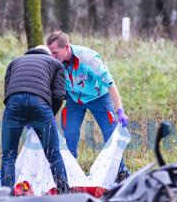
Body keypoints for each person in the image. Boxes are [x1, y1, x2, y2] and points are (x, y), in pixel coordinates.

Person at [46, 31, 129, 180]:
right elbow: (52, 90)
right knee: (70, 134)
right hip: (74, 100)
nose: (52, 56)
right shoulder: (54, 63)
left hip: (98, 97)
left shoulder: (89, 59)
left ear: (66, 47)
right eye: (50, 53)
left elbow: (110, 84)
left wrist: (120, 110)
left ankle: (120, 170)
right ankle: (69, 174)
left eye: (55, 53)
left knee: (110, 132)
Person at [2, 45, 69, 192]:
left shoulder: (15, 62)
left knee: (8, 156)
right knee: (54, 155)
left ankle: (4, 197)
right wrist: (48, 116)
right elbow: (58, 95)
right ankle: (65, 193)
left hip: (13, 103)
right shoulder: (56, 64)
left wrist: (21, 115)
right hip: (40, 103)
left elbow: (8, 92)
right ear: (48, 54)